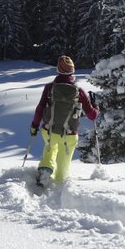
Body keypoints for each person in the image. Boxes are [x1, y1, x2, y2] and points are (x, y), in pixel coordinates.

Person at [30, 55, 98, 188]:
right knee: (64, 161)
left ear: (58, 70)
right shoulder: (79, 91)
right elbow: (92, 115)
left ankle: (45, 171)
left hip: (49, 130)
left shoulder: (49, 88)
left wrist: (34, 126)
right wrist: (96, 107)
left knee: (50, 149)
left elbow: (40, 108)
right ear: (72, 70)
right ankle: (60, 184)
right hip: (69, 134)